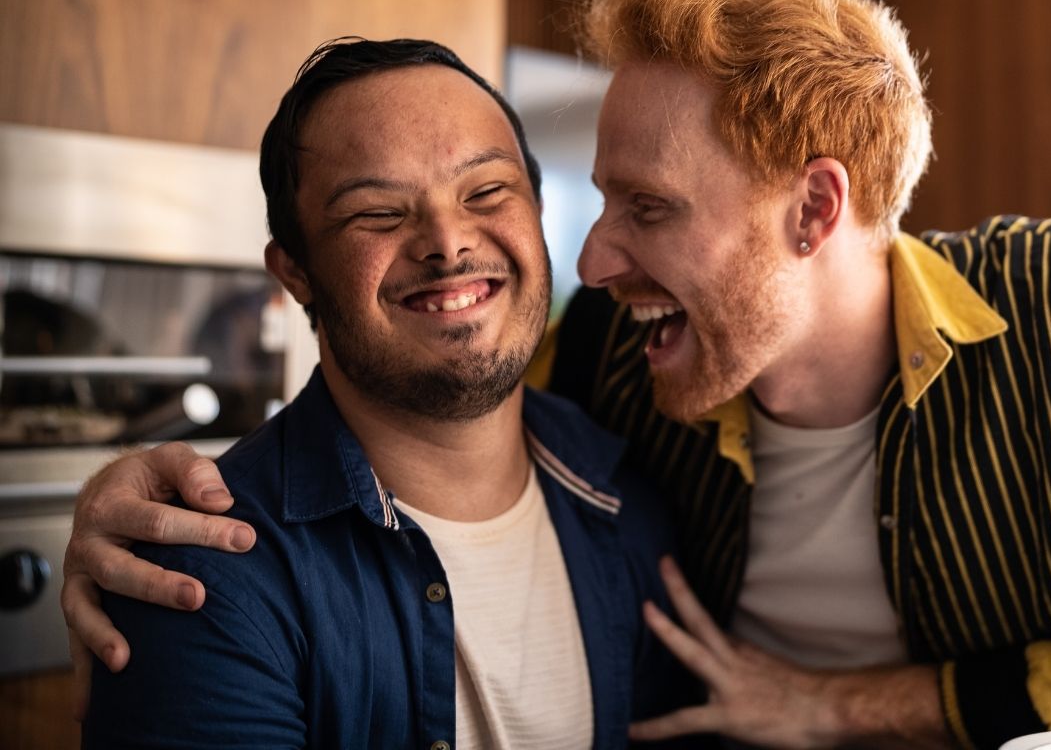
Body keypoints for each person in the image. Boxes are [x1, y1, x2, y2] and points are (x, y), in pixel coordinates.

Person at [64, 0, 1051, 749]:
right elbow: (424, 372)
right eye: (595, 204)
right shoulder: (606, 367)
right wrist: (128, 480)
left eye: (648, 208)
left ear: (812, 210)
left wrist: (827, 709)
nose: (592, 261)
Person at [76, 37, 690, 748]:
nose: (447, 242)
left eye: (487, 191)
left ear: (538, 205)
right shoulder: (202, 575)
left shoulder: (631, 489)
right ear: (297, 271)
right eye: (377, 212)